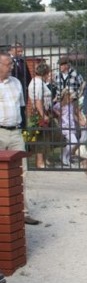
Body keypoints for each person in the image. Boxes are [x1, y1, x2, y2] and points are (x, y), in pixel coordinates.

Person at [0, 51, 40, 225]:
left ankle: (22, 212)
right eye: (8, 64)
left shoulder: (16, 83)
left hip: (15, 133)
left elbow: (22, 108)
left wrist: (24, 129)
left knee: (21, 172)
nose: (12, 67)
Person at [27, 61, 53, 169]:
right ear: (45, 73)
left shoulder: (39, 82)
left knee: (44, 137)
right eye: (48, 73)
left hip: (43, 112)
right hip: (39, 114)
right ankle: (40, 162)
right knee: (40, 138)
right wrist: (43, 115)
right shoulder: (37, 83)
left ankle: (43, 160)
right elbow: (38, 101)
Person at [52, 88, 80, 166]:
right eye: (71, 97)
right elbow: (53, 108)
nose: (72, 99)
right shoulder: (61, 104)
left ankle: (66, 157)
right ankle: (64, 156)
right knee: (74, 142)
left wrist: (78, 120)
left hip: (71, 125)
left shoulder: (71, 105)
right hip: (65, 125)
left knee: (71, 142)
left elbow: (73, 114)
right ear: (67, 96)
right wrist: (58, 114)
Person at [9, 43, 31, 129]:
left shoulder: (22, 62)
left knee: (22, 112)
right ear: (12, 50)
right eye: (18, 51)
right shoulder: (7, 61)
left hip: (23, 92)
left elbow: (28, 76)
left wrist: (26, 87)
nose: (20, 53)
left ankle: (23, 130)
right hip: (12, 92)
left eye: (21, 51)